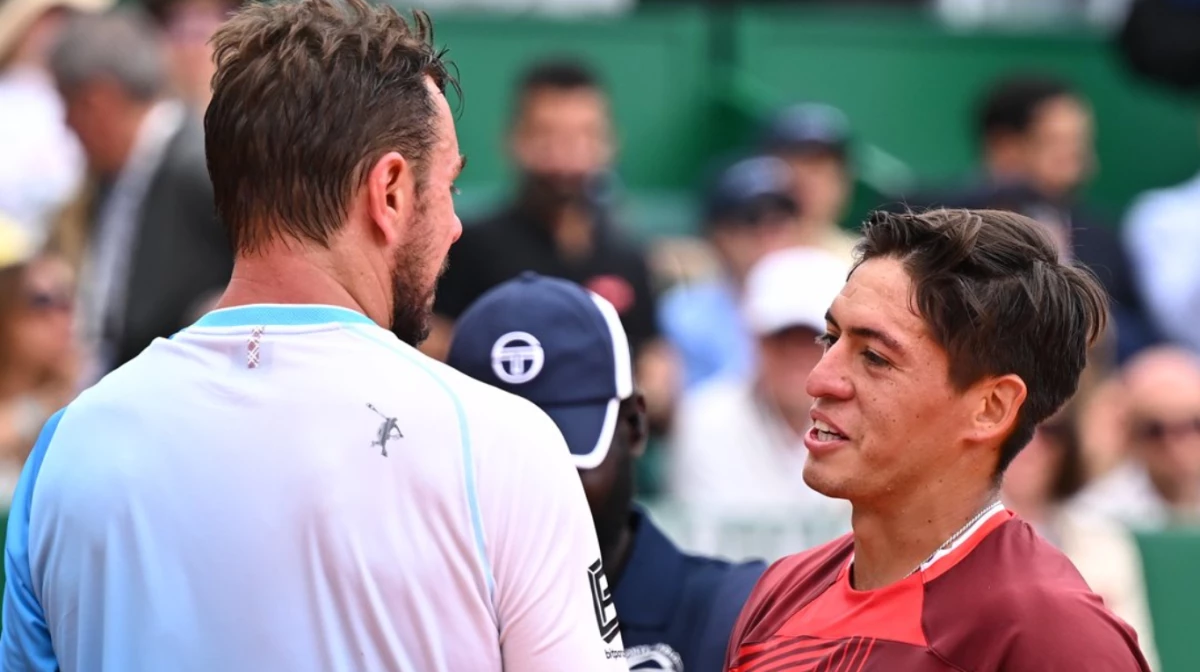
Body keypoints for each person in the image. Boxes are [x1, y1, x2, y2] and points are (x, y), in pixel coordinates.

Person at [1, 2, 625, 670]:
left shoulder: (69, 447)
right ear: (390, 191)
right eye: (448, 185)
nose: (455, 225)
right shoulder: (503, 444)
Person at [726, 208, 1151, 671]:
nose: (819, 380)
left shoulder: (1057, 636)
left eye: (874, 357)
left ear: (991, 408)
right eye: (830, 340)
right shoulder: (782, 590)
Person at [446, 272, 765, 672]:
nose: (528, 493)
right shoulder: (415, 614)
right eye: (497, 465)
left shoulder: (737, 617)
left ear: (634, 426)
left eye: (565, 456)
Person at [429, 58, 675, 427]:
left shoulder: (627, 256)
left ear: (609, 142)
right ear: (515, 139)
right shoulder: (467, 243)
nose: (565, 156)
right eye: (547, 136)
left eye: (584, 136)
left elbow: (657, 365)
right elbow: (428, 340)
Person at [46, 8, 232, 381]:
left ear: (97, 101)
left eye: (68, 106)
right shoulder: (108, 176)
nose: (65, 124)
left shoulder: (201, 168)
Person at [670, 246, 851, 530]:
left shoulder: (865, 424)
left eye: (815, 340)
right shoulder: (704, 418)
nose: (796, 354)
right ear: (754, 340)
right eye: (781, 338)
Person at [659, 155, 807, 391]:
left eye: (780, 219)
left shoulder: (829, 301)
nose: (768, 234)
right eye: (751, 220)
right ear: (718, 235)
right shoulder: (685, 312)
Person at [760, 102, 859, 265]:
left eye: (818, 169)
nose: (803, 182)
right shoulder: (732, 252)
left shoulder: (862, 263)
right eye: (791, 164)